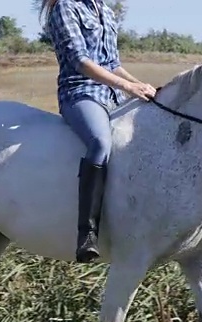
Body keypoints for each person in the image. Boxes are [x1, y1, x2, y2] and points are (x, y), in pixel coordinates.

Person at [40, 0, 157, 263]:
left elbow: (113, 63)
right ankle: (87, 234)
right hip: (80, 93)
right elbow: (81, 62)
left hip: (112, 96)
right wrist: (128, 87)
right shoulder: (66, 8)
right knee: (101, 143)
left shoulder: (104, 9)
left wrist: (143, 86)